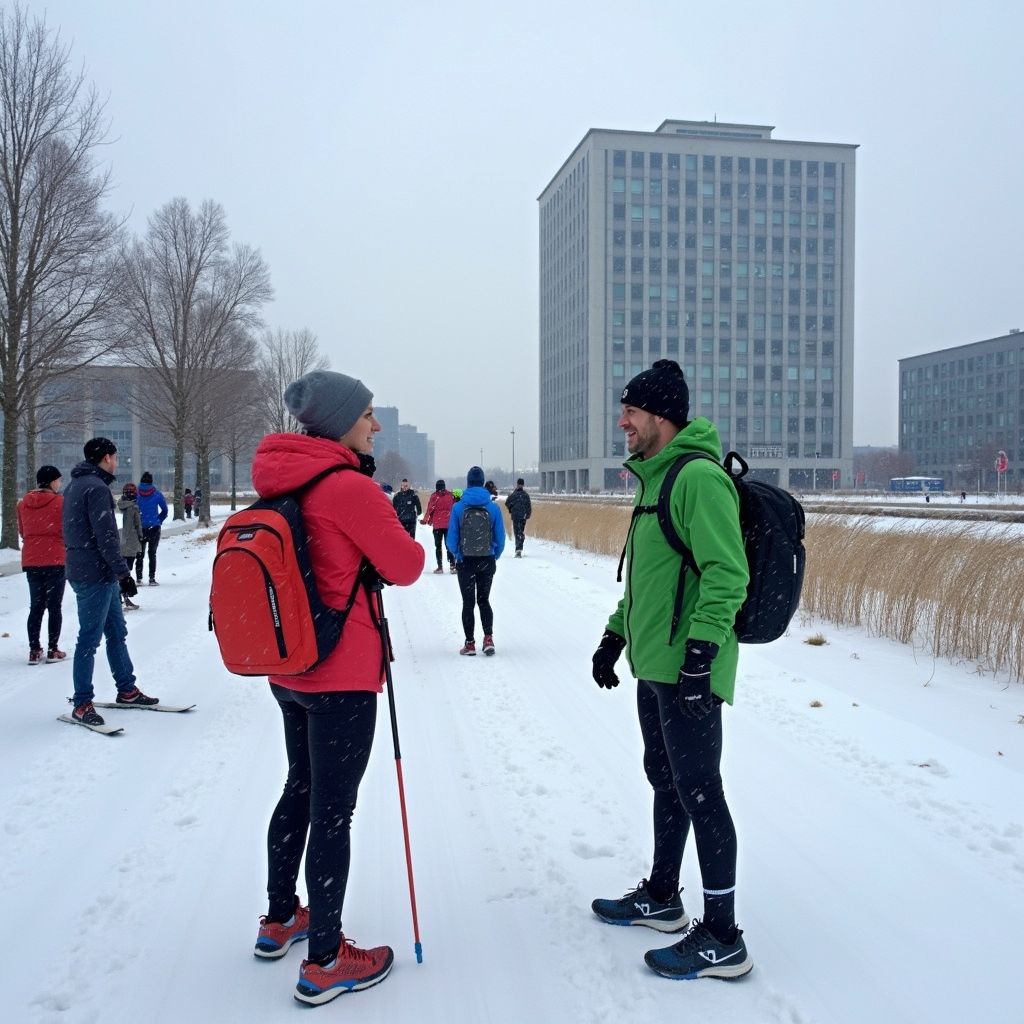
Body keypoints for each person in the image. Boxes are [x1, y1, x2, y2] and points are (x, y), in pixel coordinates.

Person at [249, 369, 424, 1005]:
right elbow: (407, 565)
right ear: (341, 421)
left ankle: (280, 918)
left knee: (299, 786)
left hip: (288, 665)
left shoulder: (282, 476)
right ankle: (325, 958)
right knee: (333, 808)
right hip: (343, 674)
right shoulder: (347, 485)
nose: (375, 424)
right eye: (368, 414)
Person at [589, 359, 753, 980]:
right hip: (654, 663)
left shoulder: (697, 479)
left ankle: (722, 936)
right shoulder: (652, 481)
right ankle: (663, 895)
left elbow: (726, 573)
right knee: (666, 779)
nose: (622, 420)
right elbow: (649, 581)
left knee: (701, 791)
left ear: (661, 416)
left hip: (689, 670)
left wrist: (701, 656)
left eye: (630, 410)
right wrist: (613, 635)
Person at [62, 438, 155, 726]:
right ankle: (82, 702)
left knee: (116, 631)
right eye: (115, 456)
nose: (117, 461)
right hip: (94, 575)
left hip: (91, 571)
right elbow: (105, 536)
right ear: (105, 458)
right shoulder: (96, 488)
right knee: (89, 639)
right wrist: (123, 573)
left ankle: (126, 689)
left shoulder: (75, 485)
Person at [446, 466, 505, 655]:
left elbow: (451, 540)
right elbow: (501, 539)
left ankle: (470, 643)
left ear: (468, 483)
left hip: (466, 562)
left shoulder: (458, 507)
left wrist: (459, 554)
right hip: (487, 560)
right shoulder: (493, 508)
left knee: (468, 603)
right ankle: (488, 639)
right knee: (484, 600)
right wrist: (492, 554)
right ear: (482, 483)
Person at [16, 465, 67, 665]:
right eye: (58, 480)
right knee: (54, 606)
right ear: (52, 481)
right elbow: (65, 530)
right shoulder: (61, 503)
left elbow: (22, 531)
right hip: (54, 558)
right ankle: (53, 649)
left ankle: (34, 650)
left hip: (32, 559)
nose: (60, 483)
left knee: (36, 606)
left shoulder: (22, 504)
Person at [135, 471, 168, 585]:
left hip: (140, 527)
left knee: (140, 553)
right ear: (151, 481)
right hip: (154, 527)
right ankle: (151, 578)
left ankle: (139, 578)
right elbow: (165, 510)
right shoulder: (157, 494)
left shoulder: (136, 494)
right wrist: (159, 520)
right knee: (152, 553)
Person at [117, 483, 143, 611]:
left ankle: (120, 598)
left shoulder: (119, 506)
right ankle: (123, 598)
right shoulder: (133, 508)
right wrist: (140, 539)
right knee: (126, 573)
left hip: (118, 543)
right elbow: (135, 527)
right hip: (129, 545)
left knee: (121, 573)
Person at [422, 479, 456, 574]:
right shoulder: (450, 495)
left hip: (437, 525)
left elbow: (429, 509)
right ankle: (452, 566)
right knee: (449, 546)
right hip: (448, 525)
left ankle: (440, 567)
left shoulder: (434, 496)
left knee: (438, 546)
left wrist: (425, 520)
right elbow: (455, 507)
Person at [504, 478, 533, 558]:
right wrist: (527, 515)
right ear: (523, 485)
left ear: (517, 484)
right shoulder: (526, 495)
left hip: (516, 516)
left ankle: (518, 550)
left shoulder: (514, 495)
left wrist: (511, 509)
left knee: (517, 532)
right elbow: (529, 507)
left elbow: (507, 503)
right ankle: (520, 547)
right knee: (521, 531)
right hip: (523, 516)